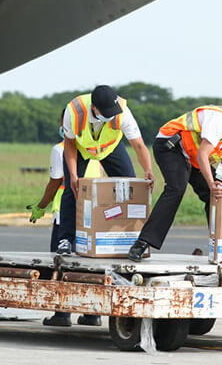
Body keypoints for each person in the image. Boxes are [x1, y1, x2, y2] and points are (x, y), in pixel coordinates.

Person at [127, 91, 222, 261]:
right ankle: (142, 243)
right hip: (171, 146)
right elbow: (203, 154)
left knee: (219, 193)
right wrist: (211, 183)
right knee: (177, 188)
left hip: (193, 156)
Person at [57, 85, 154, 256]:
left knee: (128, 187)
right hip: (81, 148)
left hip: (110, 148)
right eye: (107, 112)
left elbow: (138, 144)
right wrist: (73, 175)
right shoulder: (73, 111)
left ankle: (126, 237)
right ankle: (65, 240)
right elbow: (70, 145)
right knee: (72, 189)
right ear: (94, 107)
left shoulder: (123, 112)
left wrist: (148, 169)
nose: (111, 116)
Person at [27, 116, 103, 327]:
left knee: (62, 265)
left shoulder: (60, 149)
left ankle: (62, 314)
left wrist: (41, 206)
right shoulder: (98, 150)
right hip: (91, 216)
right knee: (89, 266)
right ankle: (91, 313)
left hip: (65, 216)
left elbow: (55, 183)